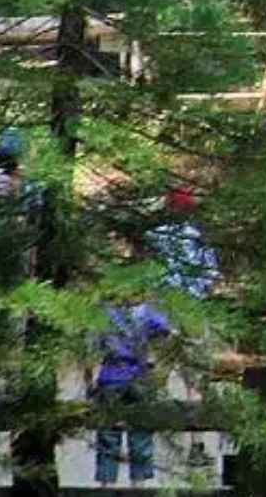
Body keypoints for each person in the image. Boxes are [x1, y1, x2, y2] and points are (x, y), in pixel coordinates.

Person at [92, 301, 173, 486]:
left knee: (108, 434)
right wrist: (158, 363)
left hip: (110, 375)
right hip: (139, 375)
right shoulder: (146, 311)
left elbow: (91, 350)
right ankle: (139, 485)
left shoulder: (105, 312)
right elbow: (168, 333)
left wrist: (89, 383)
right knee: (141, 433)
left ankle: (107, 485)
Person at [147, 187, 220, 299]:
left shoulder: (155, 234)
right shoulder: (197, 233)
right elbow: (210, 267)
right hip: (188, 292)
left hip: (179, 291)